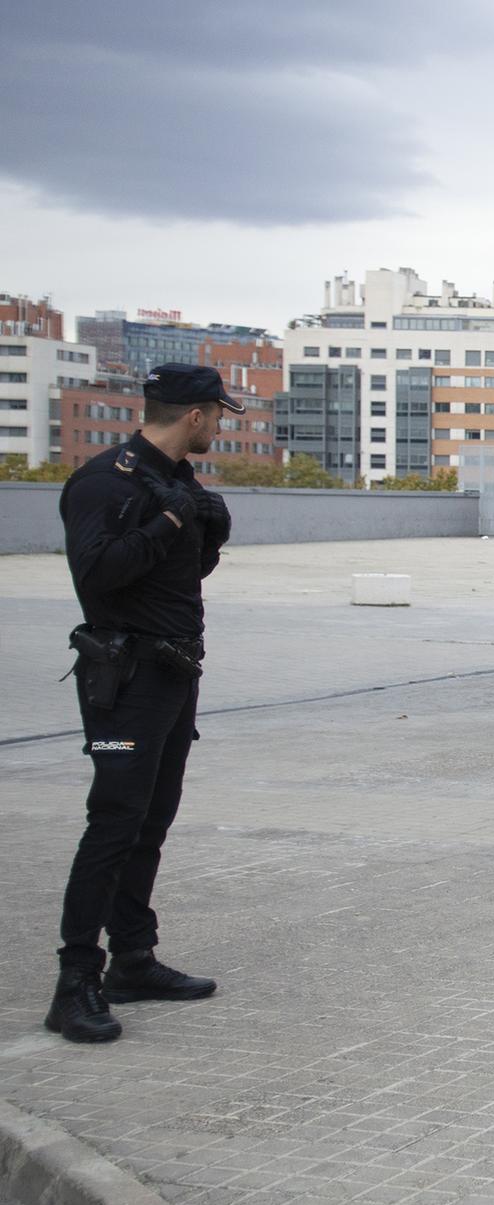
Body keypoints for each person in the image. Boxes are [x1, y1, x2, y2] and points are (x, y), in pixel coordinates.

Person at [46, 364, 238, 1043]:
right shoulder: (105, 482)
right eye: (219, 415)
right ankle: (74, 983)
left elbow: (177, 573)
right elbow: (97, 576)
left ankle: (132, 957)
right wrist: (167, 522)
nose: (221, 426)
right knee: (114, 823)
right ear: (195, 414)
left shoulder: (175, 481)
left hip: (174, 676)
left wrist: (206, 531)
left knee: (151, 821)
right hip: (123, 682)